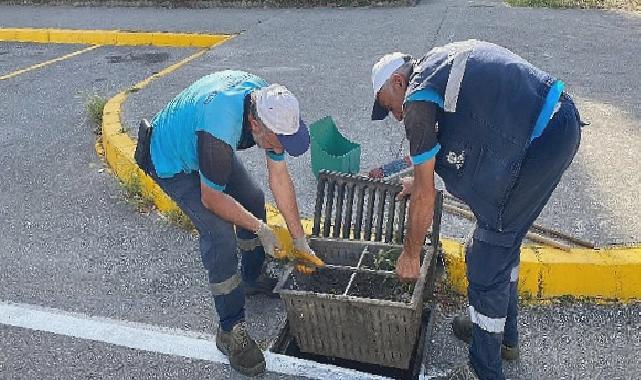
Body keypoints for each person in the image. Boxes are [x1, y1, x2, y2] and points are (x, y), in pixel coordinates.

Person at [370, 40, 582, 379]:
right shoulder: (434, 67)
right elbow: (441, 149)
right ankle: (503, 339)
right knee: (502, 243)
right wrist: (418, 180)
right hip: (554, 124)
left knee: (486, 254)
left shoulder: (417, 99)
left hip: (542, 139)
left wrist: (410, 255)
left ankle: (482, 368)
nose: (397, 115)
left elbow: (426, 195)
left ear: (398, 82)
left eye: (389, 106)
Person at [134, 70, 323, 377]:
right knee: (219, 235)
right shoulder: (219, 131)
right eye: (280, 141)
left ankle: (251, 277)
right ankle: (230, 330)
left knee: (252, 198)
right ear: (255, 126)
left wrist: (299, 238)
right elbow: (212, 199)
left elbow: (279, 178)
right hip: (171, 160)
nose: (282, 147)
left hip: (202, 146)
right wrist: (261, 229)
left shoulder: (269, 103)